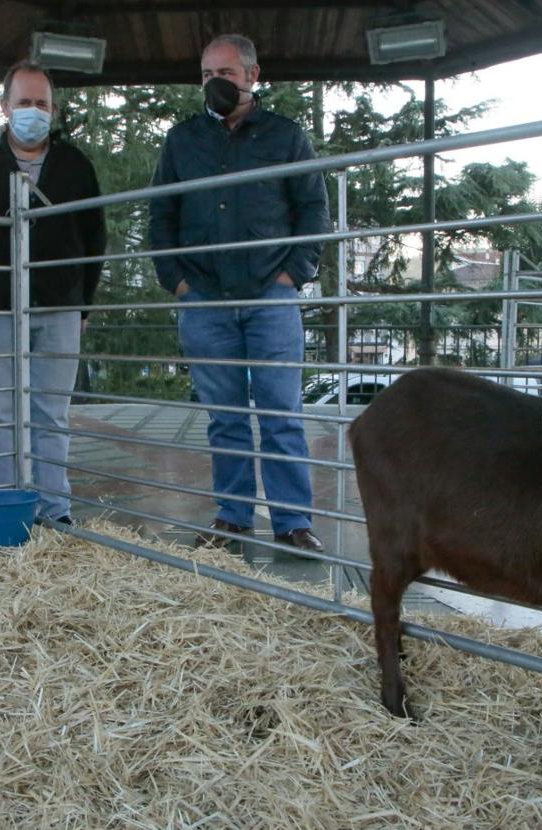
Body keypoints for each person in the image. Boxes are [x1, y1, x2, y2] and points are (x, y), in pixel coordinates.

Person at [148, 34, 330, 553]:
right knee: (224, 416)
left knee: (280, 415)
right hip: (204, 297)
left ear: (252, 75)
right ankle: (232, 516)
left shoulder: (286, 136)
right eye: (206, 75)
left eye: (224, 74)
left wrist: (292, 275)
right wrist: (177, 282)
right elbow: (162, 214)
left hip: (270, 295)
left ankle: (293, 522)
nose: (214, 84)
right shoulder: (182, 140)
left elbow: (313, 210)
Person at [0, 61, 105, 526]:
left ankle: (55, 513)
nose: (34, 111)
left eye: (42, 103)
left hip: (61, 305)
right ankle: (8, 513)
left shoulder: (74, 164)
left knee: (52, 413)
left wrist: (83, 301)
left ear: (54, 109)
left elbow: (95, 237)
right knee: (4, 413)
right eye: (24, 102)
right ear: (5, 106)